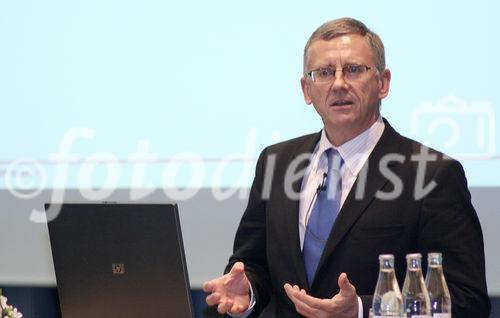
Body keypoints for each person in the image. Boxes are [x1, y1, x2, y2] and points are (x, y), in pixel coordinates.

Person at [203, 18, 490, 318]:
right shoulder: (277, 162)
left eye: (354, 69)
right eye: (324, 73)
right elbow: (253, 265)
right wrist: (247, 291)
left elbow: (466, 299)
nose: (339, 83)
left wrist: (363, 309)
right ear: (306, 89)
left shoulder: (433, 174)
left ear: (383, 83)